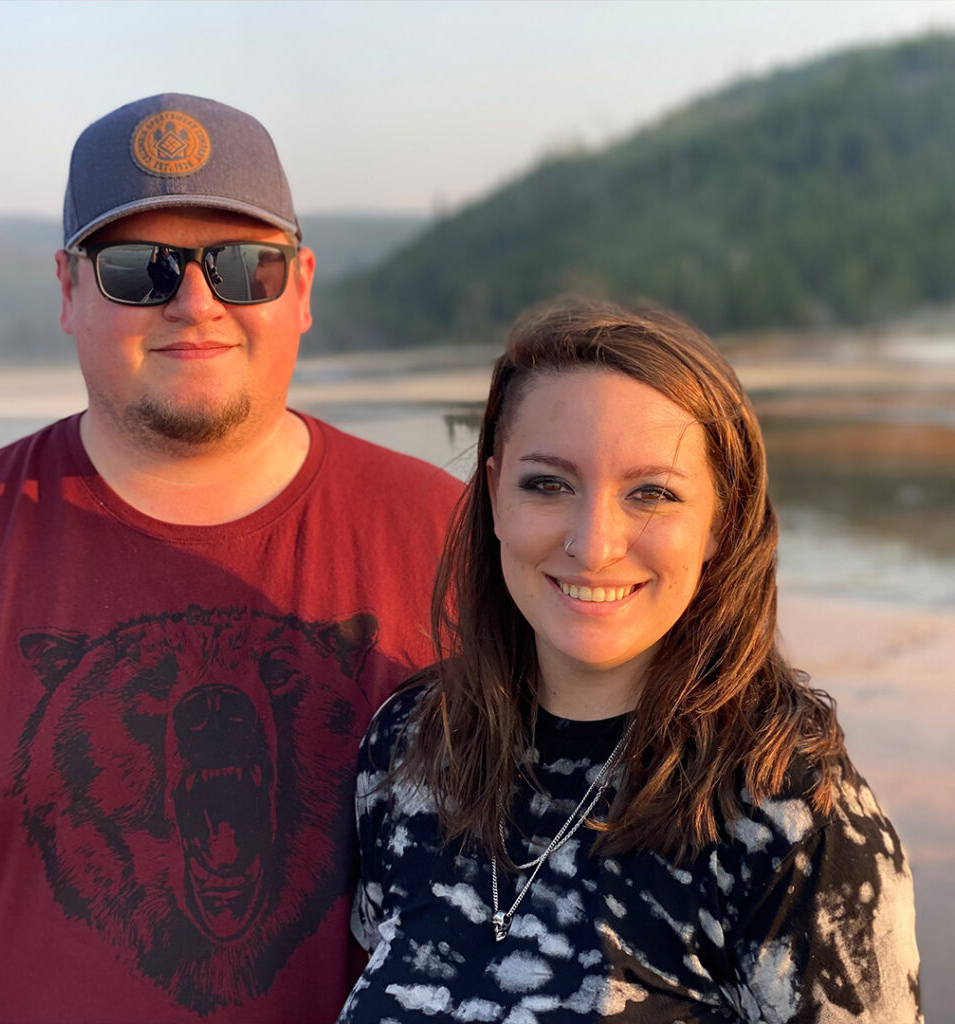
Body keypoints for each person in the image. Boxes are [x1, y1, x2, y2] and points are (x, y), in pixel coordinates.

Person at [0, 93, 463, 1024]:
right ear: (67, 289)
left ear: (300, 286)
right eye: (141, 270)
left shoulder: (448, 537)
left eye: (242, 267)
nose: (195, 303)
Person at [338, 299, 922, 1023]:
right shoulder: (410, 750)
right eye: (548, 484)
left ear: (722, 520)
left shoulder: (786, 817)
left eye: (652, 493)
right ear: (493, 495)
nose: (595, 542)